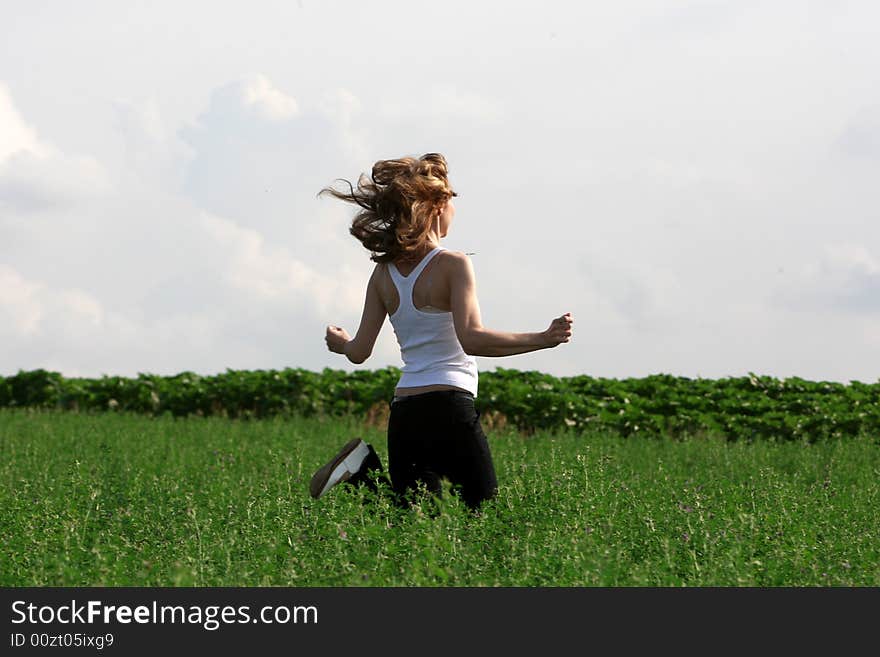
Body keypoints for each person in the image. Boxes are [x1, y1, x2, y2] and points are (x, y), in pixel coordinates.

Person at [311, 152, 573, 510]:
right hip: (449, 406)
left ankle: (361, 471)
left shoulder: (382, 275)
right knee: (484, 513)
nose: (454, 210)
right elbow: (472, 338)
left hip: (405, 411)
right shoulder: (453, 264)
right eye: (452, 201)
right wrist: (542, 339)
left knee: (413, 522)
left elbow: (359, 353)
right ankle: (360, 472)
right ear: (436, 205)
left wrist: (341, 344)